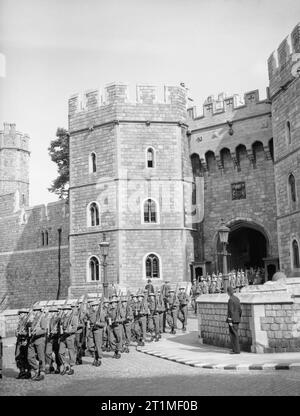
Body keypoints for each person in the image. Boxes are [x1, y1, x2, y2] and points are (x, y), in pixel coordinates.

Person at [27, 305, 48, 381]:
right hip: (32, 340)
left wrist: (36, 333)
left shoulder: (43, 318)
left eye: (35, 311)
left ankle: (42, 372)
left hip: (40, 340)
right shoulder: (34, 319)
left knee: (41, 357)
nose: (34, 312)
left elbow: (45, 330)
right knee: (29, 356)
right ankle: (35, 368)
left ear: (39, 311)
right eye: (34, 311)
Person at [58, 303, 78, 375]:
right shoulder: (63, 318)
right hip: (63, 337)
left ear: (69, 310)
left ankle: (71, 366)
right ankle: (65, 364)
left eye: (65, 310)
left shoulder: (74, 317)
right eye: (63, 310)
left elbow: (75, 328)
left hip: (70, 336)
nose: (64, 311)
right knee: (60, 352)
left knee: (71, 352)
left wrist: (68, 331)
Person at [15, 308, 31, 379]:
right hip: (19, 341)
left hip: (26, 341)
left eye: (22, 313)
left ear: (26, 314)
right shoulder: (20, 322)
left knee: (26, 357)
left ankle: (28, 372)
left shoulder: (29, 322)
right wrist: (17, 333)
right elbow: (17, 331)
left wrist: (23, 333)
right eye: (20, 314)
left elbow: (30, 333)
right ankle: (22, 371)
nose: (20, 315)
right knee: (18, 356)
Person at [226, 286, 242, 354]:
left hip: (232, 320)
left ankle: (236, 350)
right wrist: (238, 317)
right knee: (235, 334)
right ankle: (235, 349)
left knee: (233, 335)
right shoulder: (237, 299)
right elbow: (240, 310)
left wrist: (230, 320)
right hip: (237, 319)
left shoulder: (230, 300)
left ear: (228, 292)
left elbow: (230, 311)